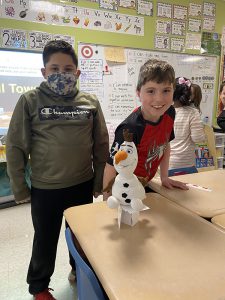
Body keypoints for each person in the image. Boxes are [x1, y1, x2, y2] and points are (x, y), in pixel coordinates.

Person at [6, 40, 109, 300]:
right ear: (44, 72)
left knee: (80, 236)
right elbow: (16, 146)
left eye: (67, 68)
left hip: (82, 184)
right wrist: (19, 187)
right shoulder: (30, 101)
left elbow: (101, 144)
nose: (61, 74)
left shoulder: (90, 102)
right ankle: (39, 287)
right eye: (54, 68)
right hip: (46, 188)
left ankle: (79, 271)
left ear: (77, 73)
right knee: (45, 239)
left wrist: (98, 183)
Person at [103, 59, 188, 199]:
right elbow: (111, 167)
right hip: (123, 190)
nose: (159, 99)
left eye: (166, 90)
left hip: (144, 183)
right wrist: (106, 201)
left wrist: (165, 177)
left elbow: (165, 145)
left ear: (173, 91)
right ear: (138, 93)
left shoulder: (170, 112)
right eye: (151, 91)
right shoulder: (130, 128)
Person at [169, 77, 206, 172]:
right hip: (186, 164)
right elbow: (198, 138)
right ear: (188, 93)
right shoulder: (193, 112)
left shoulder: (165, 112)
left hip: (167, 164)